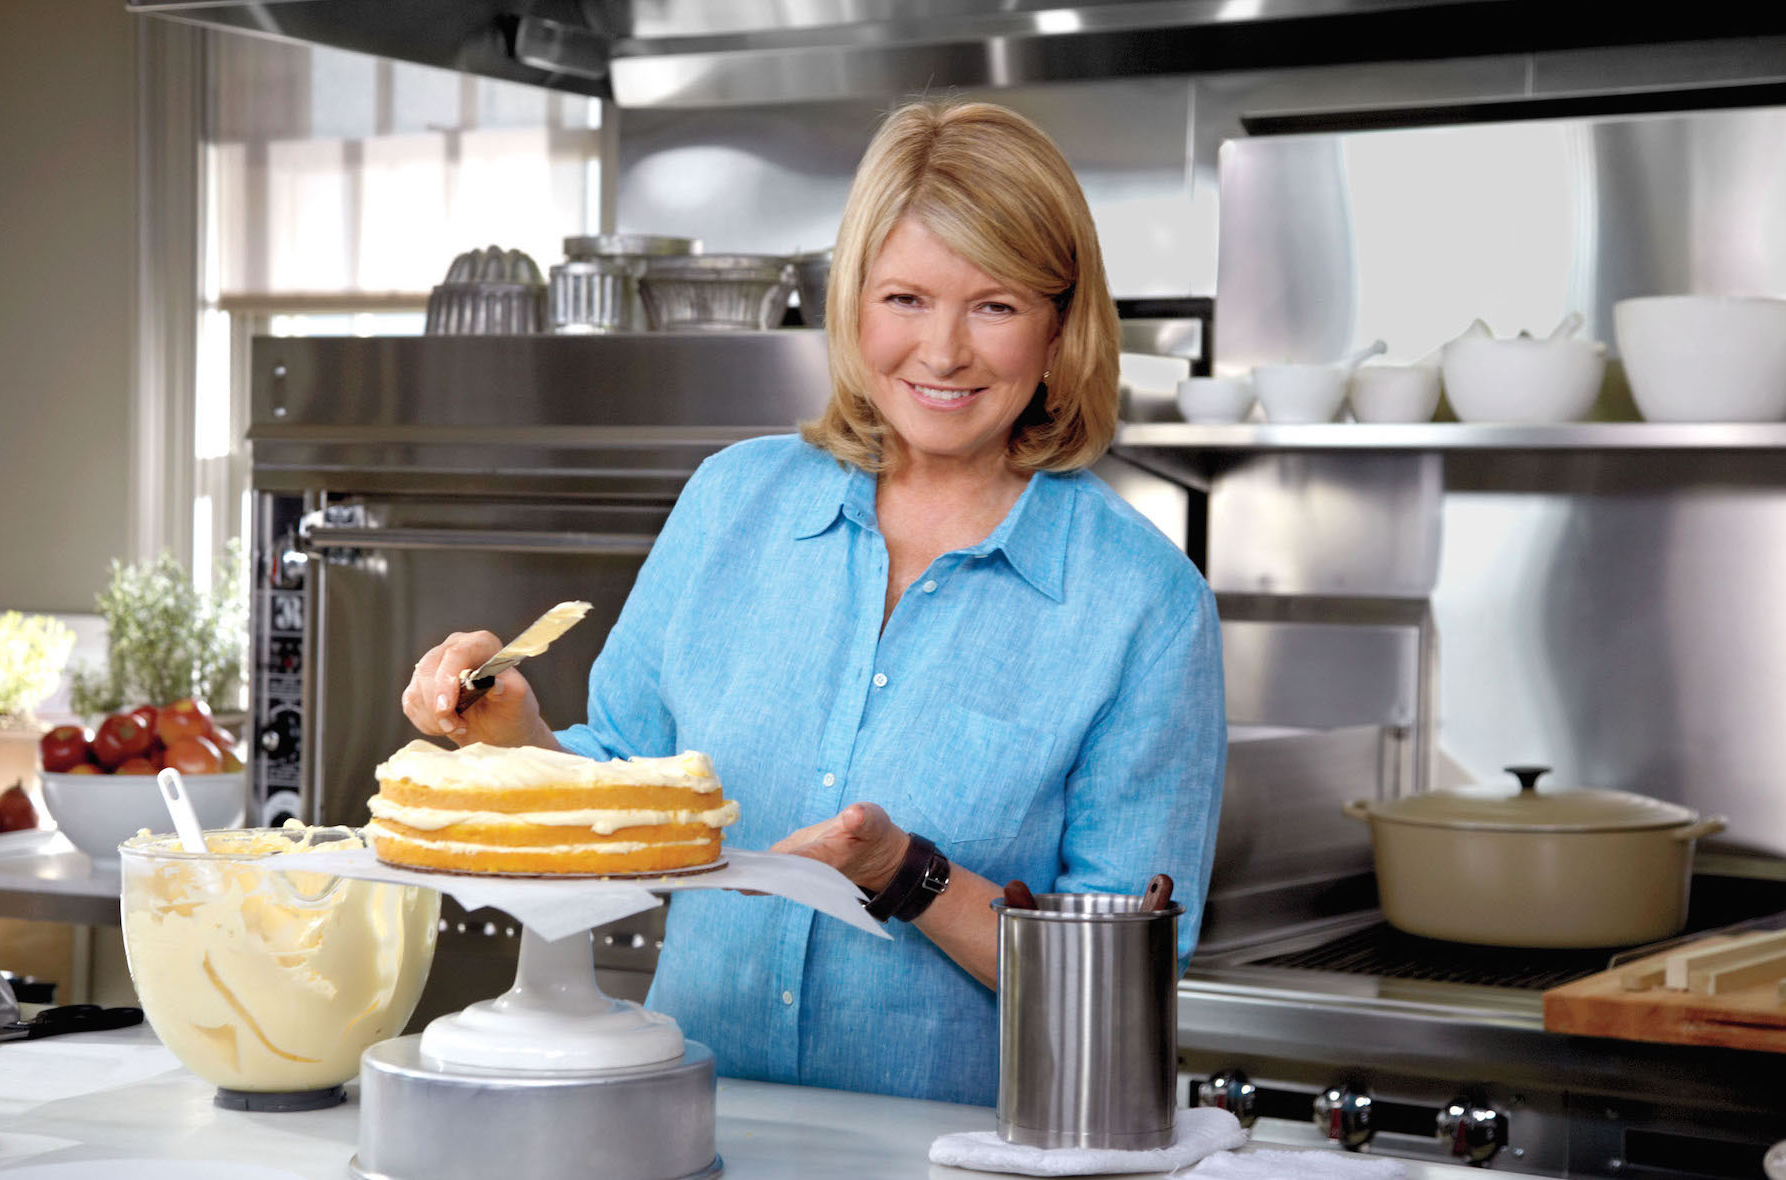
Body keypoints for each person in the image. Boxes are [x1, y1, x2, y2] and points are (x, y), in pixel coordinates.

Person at [400, 99, 1226, 1107]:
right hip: (685, 1132)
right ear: (852, 305)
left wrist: (903, 873)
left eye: (995, 306)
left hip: (953, 1162)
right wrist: (509, 732)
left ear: (1059, 329)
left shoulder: (1142, 605)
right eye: (905, 298)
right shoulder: (730, 503)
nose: (943, 351)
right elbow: (623, 797)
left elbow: (1121, 986)